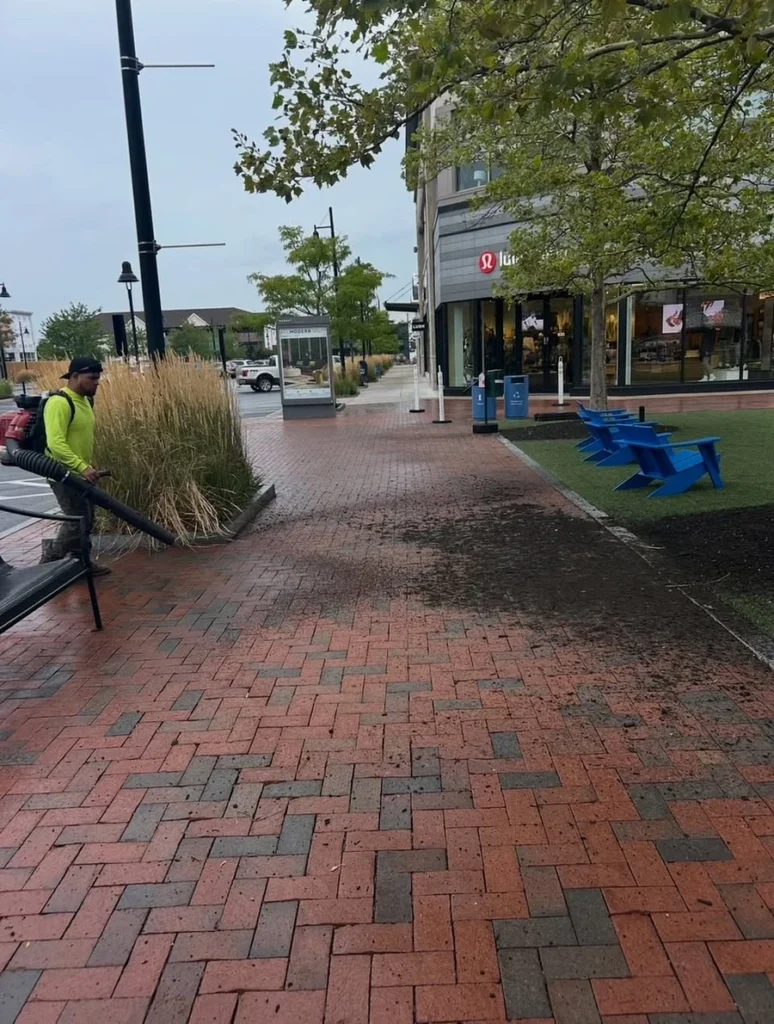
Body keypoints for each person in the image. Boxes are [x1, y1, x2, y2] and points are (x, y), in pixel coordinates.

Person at [40, 356, 111, 575]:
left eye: (98, 378)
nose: (97, 382)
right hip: (62, 474)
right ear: (75, 376)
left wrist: (85, 467)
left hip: (81, 473)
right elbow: (56, 443)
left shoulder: (86, 401)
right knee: (75, 522)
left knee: (86, 520)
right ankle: (46, 564)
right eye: (92, 378)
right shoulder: (59, 403)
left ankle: (82, 564)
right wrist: (81, 466)